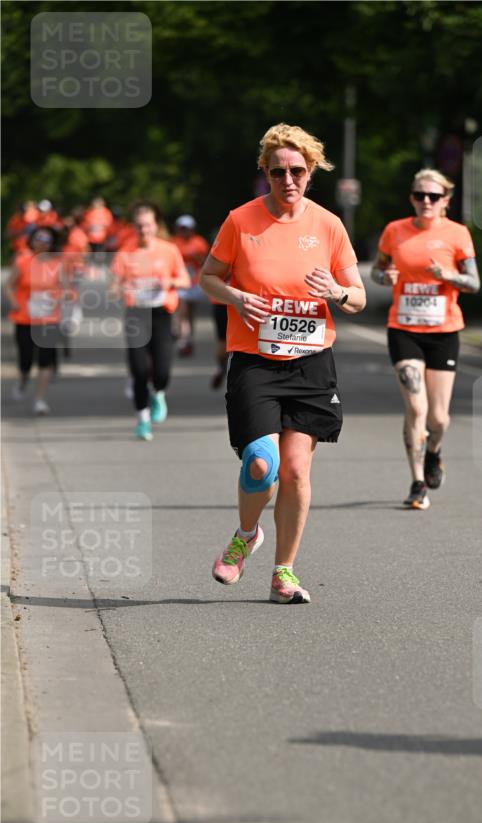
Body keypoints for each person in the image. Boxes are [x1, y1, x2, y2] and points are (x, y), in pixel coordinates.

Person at [200, 122, 365, 604]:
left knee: (294, 471)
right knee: (260, 463)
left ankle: (284, 573)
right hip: (255, 361)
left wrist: (336, 291)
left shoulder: (329, 226)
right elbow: (208, 277)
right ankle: (246, 535)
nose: (287, 180)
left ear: (310, 172)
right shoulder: (241, 221)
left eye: (296, 171)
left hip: (311, 363)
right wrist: (236, 297)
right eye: (277, 171)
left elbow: (357, 297)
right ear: (265, 172)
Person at [371, 168, 479, 510]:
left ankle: (434, 451)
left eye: (434, 196)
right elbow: (377, 270)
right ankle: (417, 482)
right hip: (404, 330)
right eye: (420, 195)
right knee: (416, 407)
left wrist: (447, 275)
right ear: (412, 199)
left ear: (446, 200)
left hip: (444, 332)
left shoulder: (458, 234)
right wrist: (384, 277)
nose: (426, 201)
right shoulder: (395, 231)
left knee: (439, 419)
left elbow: (474, 283)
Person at [110, 203, 190, 440]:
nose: (143, 230)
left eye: (147, 225)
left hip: (161, 314)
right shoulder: (126, 252)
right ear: (133, 227)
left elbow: (185, 280)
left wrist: (169, 283)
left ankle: (158, 393)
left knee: (162, 372)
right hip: (136, 314)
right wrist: (122, 287)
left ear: (155, 226)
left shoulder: (169, 250)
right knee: (139, 369)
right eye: (139, 226)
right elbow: (113, 288)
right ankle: (143, 419)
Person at [7, 227, 65, 414]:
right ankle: (23, 379)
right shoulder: (23, 261)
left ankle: (40, 400)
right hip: (25, 318)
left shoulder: (57, 264)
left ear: (51, 244)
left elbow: (65, 289)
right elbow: (8, 285)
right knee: (26, 359)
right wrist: (14, 302)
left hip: (48, 319)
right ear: (32, 241)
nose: (42, 243)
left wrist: (60, 298)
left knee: (45, 360)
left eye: (46, 240)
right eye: (38, 239)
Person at [172, 215, 210, 356]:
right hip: (181, 283)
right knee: (182, 312)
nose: (184, 231)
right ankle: (182, 340)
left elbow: (205, 262)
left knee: (191, 314)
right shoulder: (174, 243)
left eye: (187, 228)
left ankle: (189, 339)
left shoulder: (199, 243)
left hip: (195, 283)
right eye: (182, 228)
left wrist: (195, 256)